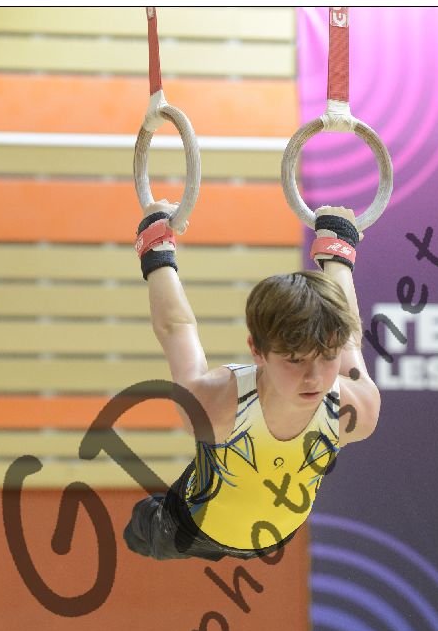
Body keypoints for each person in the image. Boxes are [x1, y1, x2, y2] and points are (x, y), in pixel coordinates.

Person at [123, 199, 381, 562]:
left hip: (273, 537)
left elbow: (349, 335)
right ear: (257, 351)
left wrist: (338, 248)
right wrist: (155, 251)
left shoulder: (357, 409)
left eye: (327, 357)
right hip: (188, 529)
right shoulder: (215, 404)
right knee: (140, 532)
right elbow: (176, 328)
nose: (314, 377)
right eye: (295, 360)